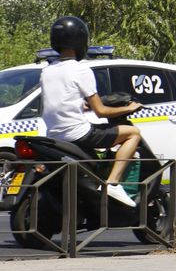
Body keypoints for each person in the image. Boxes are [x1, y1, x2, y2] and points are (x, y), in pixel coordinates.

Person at [38, 16, 144, 209]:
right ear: (81, 40)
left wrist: (80, 105)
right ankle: (113, 183)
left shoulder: (47, 71)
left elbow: (59, 101)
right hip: (78, 134)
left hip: (53, 135)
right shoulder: (81, 70)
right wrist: (129, 108)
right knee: (133, 134)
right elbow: (101, 111)